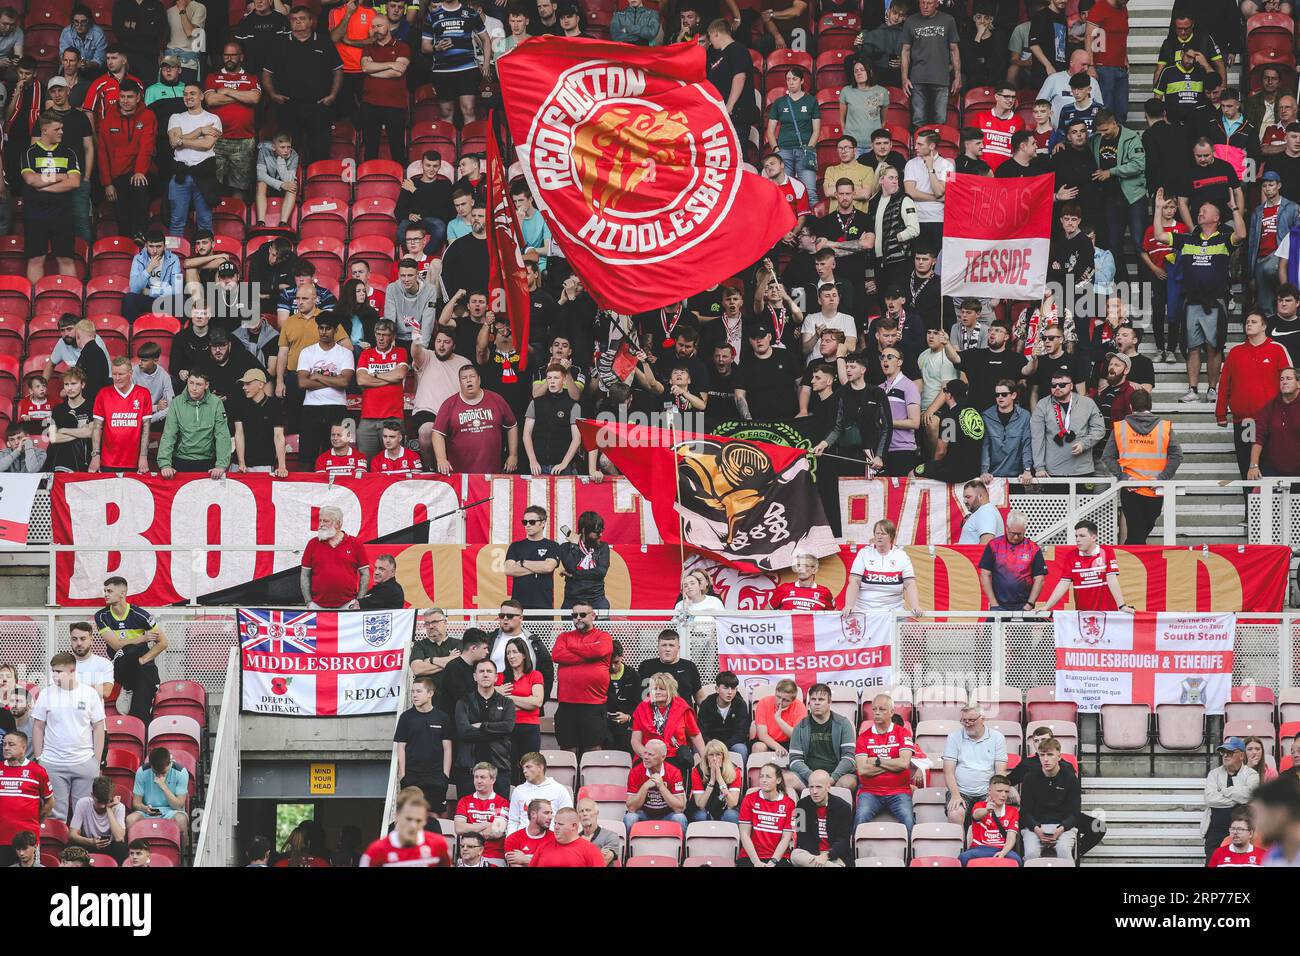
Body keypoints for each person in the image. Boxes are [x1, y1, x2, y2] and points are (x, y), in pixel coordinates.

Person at [263, 6, 342, 167]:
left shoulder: (324, 41)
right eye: (294, 19)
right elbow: (266, 72)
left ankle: (318, 189)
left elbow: (338, 71)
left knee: (320, 151)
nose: (298, 22)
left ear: (311, 21)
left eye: (302, 18)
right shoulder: (280, 44)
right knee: (289, 154)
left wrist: (333, 95)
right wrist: (272, 94)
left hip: (319, 106)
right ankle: (292, 190)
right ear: (290, 22)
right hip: (289, 106)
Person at [1101, 389, 1182, 544]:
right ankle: (1130, 564)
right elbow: (1177, 456)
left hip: (1131, 488)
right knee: (1139, 535)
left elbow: (1107, 456)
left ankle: (1127, 563)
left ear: (1131, 406)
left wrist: (1123, 477)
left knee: (1136, 536)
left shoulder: (1120, 427)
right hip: (1155, 489)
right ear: (1150, 405)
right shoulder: (1164, 427)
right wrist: (1161, 478)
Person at [95, 575, 166, 722]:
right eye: (105, 591)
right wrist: (142, 638)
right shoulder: (101, 616)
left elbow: (163, 643)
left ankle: (139, 725)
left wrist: (142, 660)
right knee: (130, 650)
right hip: (120, 665)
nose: (105, 594)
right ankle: (128, 686)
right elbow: (116, 645)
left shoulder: (140, 615)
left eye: (109, 591)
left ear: (122, 593)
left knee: (147, 674)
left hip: (140, 665)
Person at [22, 112, 82, 284]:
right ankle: (34, 305)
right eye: (57, 129)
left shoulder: (69, 153)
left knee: (66, 260)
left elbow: (75, 182)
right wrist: (59, 177)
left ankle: (70, 301)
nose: (61, 132)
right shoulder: (29, 153)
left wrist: (43, 185)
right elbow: (31, 180)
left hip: (62, 215)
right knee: (35, 259)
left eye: (62, 128)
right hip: (35, 215)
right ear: (45, 130)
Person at [551, 601, 612, 757]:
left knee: (593, 751)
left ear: (593, 616)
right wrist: (588, 655)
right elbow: (557, 655)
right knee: (567, 750)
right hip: (567, 704)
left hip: (593, 704)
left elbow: (599, 650)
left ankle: (594, 782)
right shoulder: (564, 636)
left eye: (582, 615)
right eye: (574, 615)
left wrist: (571, 648)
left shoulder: (603, 636)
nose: (578, 618)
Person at [432, 364, 517, 475]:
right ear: (460, 382)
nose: (468, 380)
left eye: (472, 376)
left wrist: (513, 455)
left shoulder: (496, 399)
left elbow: (512, 426)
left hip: (492, 474)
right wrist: (441, 459)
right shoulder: (449, 404)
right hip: (460, 476)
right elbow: (437, 433)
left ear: (479, 379)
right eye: (464, 378)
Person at [853, 693, 916, 833]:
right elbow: (862, 770)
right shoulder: (863, 737)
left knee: (908, 819)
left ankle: (911, 854)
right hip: (870, 792)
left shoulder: (903, 733)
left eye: (882, 709)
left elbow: (904, 764)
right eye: (874, 709)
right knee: (860, 817)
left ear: (892, 712)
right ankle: (854, 853)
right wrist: (893, 765)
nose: (876, 713)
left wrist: (877, 761)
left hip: (899, 791)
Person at [454, 658, 515, 800]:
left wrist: (481, 726)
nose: (485, 674)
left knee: (499, 818)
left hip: (499, 770)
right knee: (467, 817)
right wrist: (496, 731)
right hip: (468, 772)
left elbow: (508, 727)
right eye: (481, 671)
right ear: (475, 676)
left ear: (496, 677)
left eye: (489, 671)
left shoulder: (507, 703)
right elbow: (464, 731)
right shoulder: (463, 702)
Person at [1039, 519, 1131, 612]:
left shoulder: (1107, 552)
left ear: (1093, 538)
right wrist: (1047, 607)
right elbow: (1063, 584)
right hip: (1084, 617)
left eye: (1082, 536)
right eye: (1076, 536)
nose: (1078, 539)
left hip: (1107, 614)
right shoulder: (1071, 556)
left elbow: (1111, 579)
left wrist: (1122, 606)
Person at [631, 672, 706, 784]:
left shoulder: (682, 707)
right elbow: (635, 741)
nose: (657, 692)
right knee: (639, 773)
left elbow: (695, 736)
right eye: (654, 689)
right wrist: (647, 756)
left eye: (662, 689)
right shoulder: (642, 707)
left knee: (674, 775)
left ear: (671, 690)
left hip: (673, 755)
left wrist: (705, 762)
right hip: (647, 755)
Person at [1030, 372, 1105, 481]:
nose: (1057, 388)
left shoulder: (1087, 403)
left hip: (1082, 469)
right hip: (1053, 471)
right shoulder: (1043, 404)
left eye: (1062, 385)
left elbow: (1099, 429)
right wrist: (1039, 467)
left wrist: (1085, 444)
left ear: (1071, 386)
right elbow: (1037, 438)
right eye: (1053, 385)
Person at [157, 369, 232, 478]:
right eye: (191, 383)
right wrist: (165, 464)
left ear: (206, 385)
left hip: (208, 462)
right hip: (181, 461)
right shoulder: (177, 402)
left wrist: (221, 465)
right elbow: (169, 435)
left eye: (199, 384)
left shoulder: (216, 403)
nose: (194, 388)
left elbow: (222, 435)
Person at [394, 675, 452, 813]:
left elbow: (448, 748)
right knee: (410, 815)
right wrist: (403, 775)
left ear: (430, 693)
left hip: (436, 777)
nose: (414, 695)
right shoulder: (406, 717)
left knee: (434, 816)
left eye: (419, 691)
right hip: (412, 777)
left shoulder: (442, 717)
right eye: (413, 691)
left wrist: (445, 775)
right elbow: (400, 747)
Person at [942, 705, 1008, 828]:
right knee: (955, 813)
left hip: (986, 791)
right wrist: (955, 795)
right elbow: (948, 771)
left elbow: (1000, 771)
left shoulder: (997, 737)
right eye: (964, 720)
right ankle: (959, 847)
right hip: (961, 791)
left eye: (971, 720)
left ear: (982, 719)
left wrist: (993, 794)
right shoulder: (954, 737)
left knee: (992, 815)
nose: (967, 724)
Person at [842, 518, 922, 617]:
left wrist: (916, 606)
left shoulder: (902, 556)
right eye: (877, 533)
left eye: (883, 534)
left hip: (894, 612)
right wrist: (849, 605)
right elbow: (854, 581)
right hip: (865, 611)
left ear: (891, 536)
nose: (879, 537)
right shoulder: (864, 553)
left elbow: (910, 584)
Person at [1019, 735, 1081, 862]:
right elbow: (1025, 813)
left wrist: (1060, 829)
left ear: (1059, 757)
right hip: (1035, 827)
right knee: (1031, 853)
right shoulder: (1030, 778)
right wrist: (1036, 829)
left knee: (1064, 850)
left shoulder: (1070, 778)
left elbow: (1075, 814)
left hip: (1062, 827)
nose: (1045, 759)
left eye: (1050, 755)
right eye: (1042, 755)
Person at [901, 0, 960, 127]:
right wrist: (904, 78)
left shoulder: (948, 20)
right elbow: (905, 51)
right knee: (918, 121)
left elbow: (954, 50)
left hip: (941, 78)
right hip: (917, 78)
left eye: (929, 3)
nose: (925, 7)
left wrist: (957, 76)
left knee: (940, 121)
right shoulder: (910, 21)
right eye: (922, 3)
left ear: (937, 4)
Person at [300, 505, 369, 609]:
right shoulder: (312, 544)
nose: (321, 524)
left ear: (337, 523)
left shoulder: (355, 544)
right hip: (317, 606)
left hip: (348, 605)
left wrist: (359, 601)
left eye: (325, 521)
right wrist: (308, 602)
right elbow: (305, 574)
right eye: (320, 520)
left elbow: (365, 574)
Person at [1204, 736, 1260, 861]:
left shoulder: (1251, 774)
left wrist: (1223, 790)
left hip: (1242, 830)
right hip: (1215, 831)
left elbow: (1249, 795)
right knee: (1213, 862)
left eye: (1230, 753)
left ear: (1241, 755)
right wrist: (1237, 798)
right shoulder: (1214, 774)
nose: (1225, 756)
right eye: (1223, 752)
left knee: (1239, 863)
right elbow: (1210, 799)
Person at [0, 732, 52, 868]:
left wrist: (34, 822)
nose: (6, 748)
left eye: (11, 744)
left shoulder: (37, 771)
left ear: (23, 748)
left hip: (27, 840)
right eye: (4, 744)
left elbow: (50, 802)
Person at [978, 511, 1048, 611]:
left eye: (1019, 534)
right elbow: (985, 574)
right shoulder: (994, 545)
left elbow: (1039, 579)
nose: (1015, 537)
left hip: (1023, 606)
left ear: (1025, 530)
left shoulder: (1033, 548)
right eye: (1012, 533)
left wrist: (1029, 604)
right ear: (1007, 528)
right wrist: (993, 603)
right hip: (999, 605)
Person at [360, 793, 451, 867]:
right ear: (397, 816)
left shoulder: (438, 845)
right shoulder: (376, 851)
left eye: (418, 820)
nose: (413, 825)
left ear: (424, 821)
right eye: (408, 819)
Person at [789, 769, 854, 868]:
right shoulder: (801, 805)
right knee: (795, 855)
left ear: (828, 788)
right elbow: (801, 835)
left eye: (818, 787)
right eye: (811, 787)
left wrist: (826, 855)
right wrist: (817, 858)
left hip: (835, 856)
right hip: (810, 855)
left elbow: (843, 841)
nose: (814, 792)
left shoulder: (843, 807)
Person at [498, 640, 545, 777]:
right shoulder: (500, 677)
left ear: (524, 654)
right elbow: (496, 704)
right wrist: (525, 703)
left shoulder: (535, 675)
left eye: (515, 652)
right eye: (508, 653)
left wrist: (509, 698)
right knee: (509, 769)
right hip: (507, 727)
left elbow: (537, 702)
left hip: (529, 728)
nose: (511, 656)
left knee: (530, 768)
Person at [126, 747, 189, 847]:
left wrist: (163, 786)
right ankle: (134, 853)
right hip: (148, 811)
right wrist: (144, 808)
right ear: (151, 766)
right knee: (131, 820)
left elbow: (179, 805)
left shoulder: (181, 772)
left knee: (181, 820)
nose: (159, 776)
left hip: (171, 811)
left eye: (163, 773)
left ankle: (182, 856)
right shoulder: (142, 772)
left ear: (170, 763)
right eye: (156, 772)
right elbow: (136, 803)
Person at [737, 762, 796, 867]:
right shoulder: (749, 799)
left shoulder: (789, 804)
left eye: (768, 777)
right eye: (761, 776)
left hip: (779, 857)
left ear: (778, 780)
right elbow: (744, 834)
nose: (763, 780)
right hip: (750, 856)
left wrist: (772, 862)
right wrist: (756, 862)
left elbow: (786, 838)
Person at [231, 368, 288, 476]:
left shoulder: (274, 405)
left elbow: (279, 436)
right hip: (239, 465)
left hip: (263, 464)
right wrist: (241, 462)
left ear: (261, 385)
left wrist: (282, 466)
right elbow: (239, 434)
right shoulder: (239, 404)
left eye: (248, 384)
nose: (244, 387)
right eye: (243, 384)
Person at [503, 505, 560, 610]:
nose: (527, 525)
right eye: (525, 522)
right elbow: (509, 569)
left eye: (532, 522)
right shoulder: (516, 546)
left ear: (543, 523)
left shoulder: (552, 545)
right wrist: (539, 568)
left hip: (543, 605)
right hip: (518, 606)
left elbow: (548, 567)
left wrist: (522, 563)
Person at [454, 762, 509, 865]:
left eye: (483, 777)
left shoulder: (502, 802)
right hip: (468, 857)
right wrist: (486, 825)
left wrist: (469, 830)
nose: (478, 781)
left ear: (493, 780)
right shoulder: (464, 801)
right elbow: (459, 828)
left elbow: (497, 831)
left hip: (494, 856)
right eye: (476, 777)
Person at [959, 774, 1020, 865]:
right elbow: (976, 815)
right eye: (999, 791)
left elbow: (1011, 838)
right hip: (979, 848)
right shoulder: (979, 805)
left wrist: (1002, 853)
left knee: (1017, 860)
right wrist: (986, 810)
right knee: (963, 857)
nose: (1003, 795)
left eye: (1006, 791)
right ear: (989, 791)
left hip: (1002, 848)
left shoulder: (1013, 811)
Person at [1250, 366, 1300, 478]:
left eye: (1288, 378)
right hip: (1273, 469)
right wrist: (1253, 466)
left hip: (1298, 469)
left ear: (1298, 384)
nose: (1284, 382)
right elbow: (1258, 438)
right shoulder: (1269, 407)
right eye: (1282, 379)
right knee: (1256, 493)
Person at [507, 751, 573, 833]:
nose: (524, 771)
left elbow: (568, 818)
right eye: (523, 768)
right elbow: (513, 821)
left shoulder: (559, 789)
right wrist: (510, 841)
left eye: (528, 767)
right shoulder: (518, 790)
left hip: (551, 840)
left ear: (540, 767)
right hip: (523, 841)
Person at [68, 776, 128, 864]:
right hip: (88, 843)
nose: (102, 806)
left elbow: (119, 838)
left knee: (122, 848)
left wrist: (109, 809)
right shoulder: (83, 803)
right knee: (71, 846)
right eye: (99, 802)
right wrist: (90, 842)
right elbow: (72, 834)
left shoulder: (119, 807)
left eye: (105, 801)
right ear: (92, 795)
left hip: (110, 847)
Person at [558, 511, 610, 611]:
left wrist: (573, 575)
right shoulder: (565, 548)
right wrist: (574, 546)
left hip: (596, 599)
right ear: (584, 530)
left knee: (602, 624)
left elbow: (600, 572)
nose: (601, 534)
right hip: (572, 599)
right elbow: (571, 567)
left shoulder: (603, 547)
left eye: (602, 530)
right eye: (596, 531)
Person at [637, 628, 702, 707]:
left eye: (671, 645)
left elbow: (699, 696)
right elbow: (638, 695)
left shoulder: (689, 666)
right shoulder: (646, 666)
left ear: (678, 648)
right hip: (652, 716)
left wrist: (709, 714)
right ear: (658, 647)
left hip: (682, 716)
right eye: (664, 645)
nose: (667, 649)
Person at [529, 806, 605, 867]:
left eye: (560, 824)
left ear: (574, 826)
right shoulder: (543, 846)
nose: (556, 827)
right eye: (555, 823)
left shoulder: (590, 850)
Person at [769, 553, 836, 611]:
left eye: (805, 566)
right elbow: (766, 613)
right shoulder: (784, 588)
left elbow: (835, 618)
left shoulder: (825, 592)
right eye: (798, 565)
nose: (800, 568)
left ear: (814, 570)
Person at [502, 798, 554, 866]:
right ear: (533, 814)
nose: (551, 817)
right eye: (546, 813)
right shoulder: (513, 839)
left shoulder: (555, 839)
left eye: (551, 813)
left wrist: (526, 860)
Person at [958, 479, 1004, 546]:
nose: (964, 501)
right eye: (964, 497)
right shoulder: (985, 511)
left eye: (968, 497)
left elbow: (986, 545)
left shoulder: (986, 512)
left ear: (980, 496)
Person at [575, 797, 620, 866]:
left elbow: (601, 863)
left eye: (588, 810)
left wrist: (585, 847)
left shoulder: (610, 836)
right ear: (578, 816)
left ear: (597, 813)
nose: (584, 814)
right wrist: (598, 852)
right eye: (581, 811)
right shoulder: (575, 839)